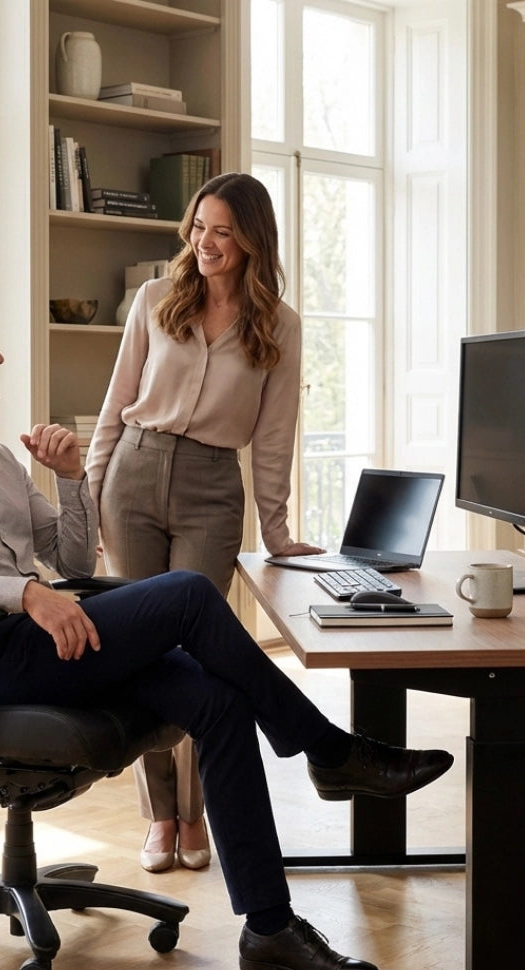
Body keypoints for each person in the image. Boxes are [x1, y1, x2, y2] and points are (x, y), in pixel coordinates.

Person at [0, 286, 454, 970]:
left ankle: (269, 929)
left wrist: (74, 481)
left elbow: (74, 562)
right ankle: (329, 751)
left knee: (218, 706)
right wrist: (23, 593)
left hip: (52, 639)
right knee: (191, 594)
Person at [86, 173, 321, 874]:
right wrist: (91, 497)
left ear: (251, 238)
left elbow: (274, 438)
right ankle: (160, 816)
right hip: (133, 471)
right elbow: (115, 403)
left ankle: (196, 813)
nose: (206, 242)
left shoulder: (279, 324)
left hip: (214, 489)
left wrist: (276, 532)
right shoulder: (156, 300)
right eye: (198, 227)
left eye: (222, 230)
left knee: (197, 653)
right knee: (134, 649)